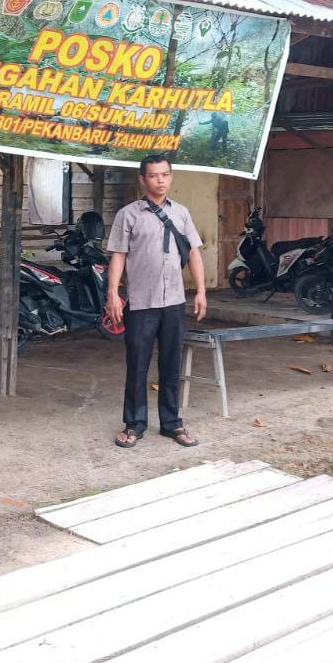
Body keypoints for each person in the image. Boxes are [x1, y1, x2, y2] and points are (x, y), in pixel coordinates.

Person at [105, 154, 208, 449]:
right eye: (153, 175)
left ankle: (172, 423)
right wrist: (114, 293)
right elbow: (119, 255)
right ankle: (134, 424)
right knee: (137, 363)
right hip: (141, 301)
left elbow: (194, 253)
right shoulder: (129, 214)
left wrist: (200, 291)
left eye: (165, 175)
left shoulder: (182, 213)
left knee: (171, 362)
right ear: (143, 179)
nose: (160, 180)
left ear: (171, 177)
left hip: (174, 300)